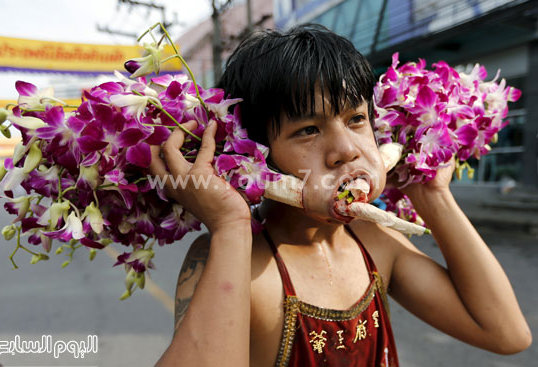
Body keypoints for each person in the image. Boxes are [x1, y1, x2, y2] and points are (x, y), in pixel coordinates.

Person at [150, 24, 531, 366]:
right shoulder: (233, 259)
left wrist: (431, 192)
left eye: (355, 119)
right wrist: (230, 227)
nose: (345, 149)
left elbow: (505, 333)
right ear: (253, 152)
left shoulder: (377, 245)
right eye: (308, 130)